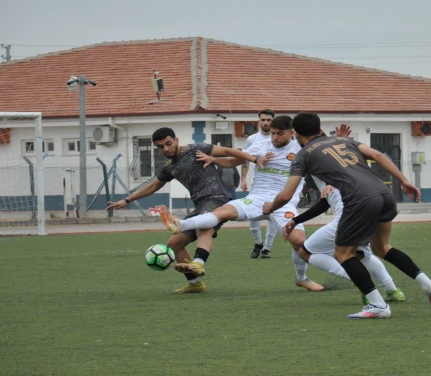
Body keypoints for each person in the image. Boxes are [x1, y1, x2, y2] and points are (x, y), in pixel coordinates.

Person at [264, 112, 431, 319]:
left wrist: (270, 208)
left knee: (343, 254)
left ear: (295, 133)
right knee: (382, 248)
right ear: (319, 128)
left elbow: (287, 194)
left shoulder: (303, 155)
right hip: (383, 194)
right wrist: (403, 180)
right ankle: (429, 285)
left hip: (359, 200)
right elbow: (378, 156)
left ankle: (378, 305)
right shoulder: (343, 141)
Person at [158, 115, 324, 292]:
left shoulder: (303, 148)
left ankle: (301, 278)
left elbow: (323, 166)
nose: (274, 137)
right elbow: (232, 161)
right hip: (256, 198)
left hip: (285, 201)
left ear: (292, 133)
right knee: (222, 212)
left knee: (298, 241)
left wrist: (327, 185)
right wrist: (214, 160)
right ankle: (180, 224)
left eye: (279, 134)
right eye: (273, 133)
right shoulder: (260, 145)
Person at [105, 127, 260, 293]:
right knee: (174, 244)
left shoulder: (195, 149)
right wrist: (127, 199)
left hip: (217, 198)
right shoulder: (169, 167)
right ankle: (195, 284)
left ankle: (198, 263)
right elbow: (153, 186)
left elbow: (228, 151)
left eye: (168, 143)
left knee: (203, 227)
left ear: (176, 140)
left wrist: (255, 159)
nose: (166, 149)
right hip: (199, 204)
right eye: (161, 146)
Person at [283, 179, 406, 305]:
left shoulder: (317, 165)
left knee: (304, 252)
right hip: (365, 215)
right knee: (362, 255)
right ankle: (393, 292)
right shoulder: (335, 167)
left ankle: (363, 284)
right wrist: (296, 220)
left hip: (346, 220)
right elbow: (324, 204)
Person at [242, 109, 275, 258]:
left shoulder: (280, 138)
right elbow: (245, 159)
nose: (266, 123)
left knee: (274, 215)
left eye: (269, 120)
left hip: (276, 185)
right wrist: (243, 179)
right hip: (258, 184)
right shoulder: (252, 139)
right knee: (252, 214)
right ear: (259, 121)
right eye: (263, 120)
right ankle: (258, 243)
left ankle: (267, 248)